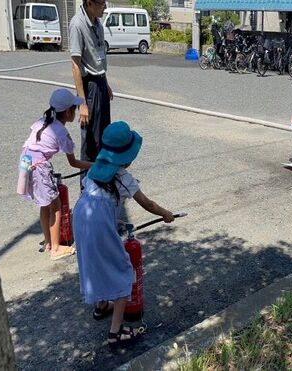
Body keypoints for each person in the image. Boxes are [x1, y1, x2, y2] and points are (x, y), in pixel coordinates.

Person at [72, 121, 175, 346]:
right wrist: (166, 214)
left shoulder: (96, 168)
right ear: (127, 156)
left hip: (81, 215)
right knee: (123, 270)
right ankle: (115, 332)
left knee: (93, 263)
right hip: (98, 221)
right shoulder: (122, 177)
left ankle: (101, 307)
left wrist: (111, 220)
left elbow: (96, 200)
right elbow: (147, 204)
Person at [17, 89, 92, 260]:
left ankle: (49, 241)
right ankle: (56, 248)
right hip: (39, 167)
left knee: (44, 204)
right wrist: (95, 165)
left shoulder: (42, 121)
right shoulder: (61, 132)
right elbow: (73, 163)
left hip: (26, 160)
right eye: (74, 108)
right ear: (67, 112)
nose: (75, 112)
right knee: (56, 206)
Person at [69, 0, 113, 168]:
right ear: (89, 3)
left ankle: (102, 181)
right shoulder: (78, 24)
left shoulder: (97, 23)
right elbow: (75, 65)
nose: (105, 7)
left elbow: (98, 56)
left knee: (104, 135)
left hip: (100, 82)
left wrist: (106, 84)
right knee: (90, 140)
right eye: (102, 3)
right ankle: (87, 187)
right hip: (89, 87)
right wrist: (82, 103)